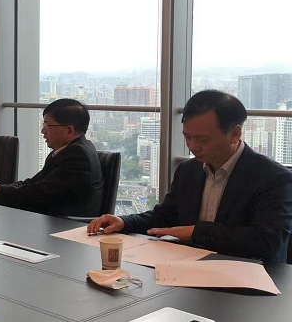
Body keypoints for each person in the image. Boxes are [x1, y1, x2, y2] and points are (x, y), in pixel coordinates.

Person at [88, 90, 292, 263]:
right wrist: (125, 222)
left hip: (248, 276)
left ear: (235, 134)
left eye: (202, 139)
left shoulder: (272, 178)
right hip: (189, 268)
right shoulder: (188, 170)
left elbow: (269, 241)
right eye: (187, 137)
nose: (192, 146)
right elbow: (165, 216)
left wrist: (197, 232)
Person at [0, 98, 103, 216]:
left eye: (47, 125)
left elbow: (40, 195)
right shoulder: (67, 150)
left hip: (63, 226)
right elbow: (32, 184)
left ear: (69, 131)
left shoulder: (77, 155)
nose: (43, 131)